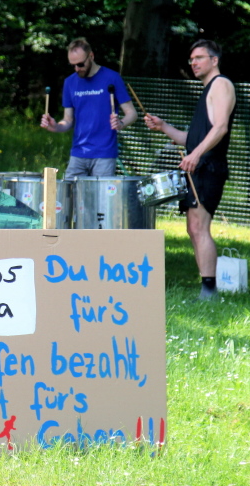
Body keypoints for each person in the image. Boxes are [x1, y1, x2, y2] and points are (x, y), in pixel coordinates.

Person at [144, 39, 236, 300]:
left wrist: (195, 155)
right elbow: (192, 139)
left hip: (209, 167)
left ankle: (209, 291)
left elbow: (220, 128)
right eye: (191, 59)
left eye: (199, 58)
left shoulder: (221, 85)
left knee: (199, 227)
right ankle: (206, 288)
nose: (193, 63)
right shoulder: (207, 90)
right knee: (193, 228)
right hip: (199, 165)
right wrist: (164, 127)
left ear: (214, 60)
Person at [40, 38, 137, 180]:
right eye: (73, 65)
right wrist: (56, 126)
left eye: (80, 64)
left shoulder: (112, 78)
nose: (77, 69)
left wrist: (120, 123)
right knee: (69, 192)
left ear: (91, 56)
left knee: (100, 195)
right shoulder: (70, 82)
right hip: (78, 153)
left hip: (104, 154)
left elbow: (132, 113)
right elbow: (68, 120)